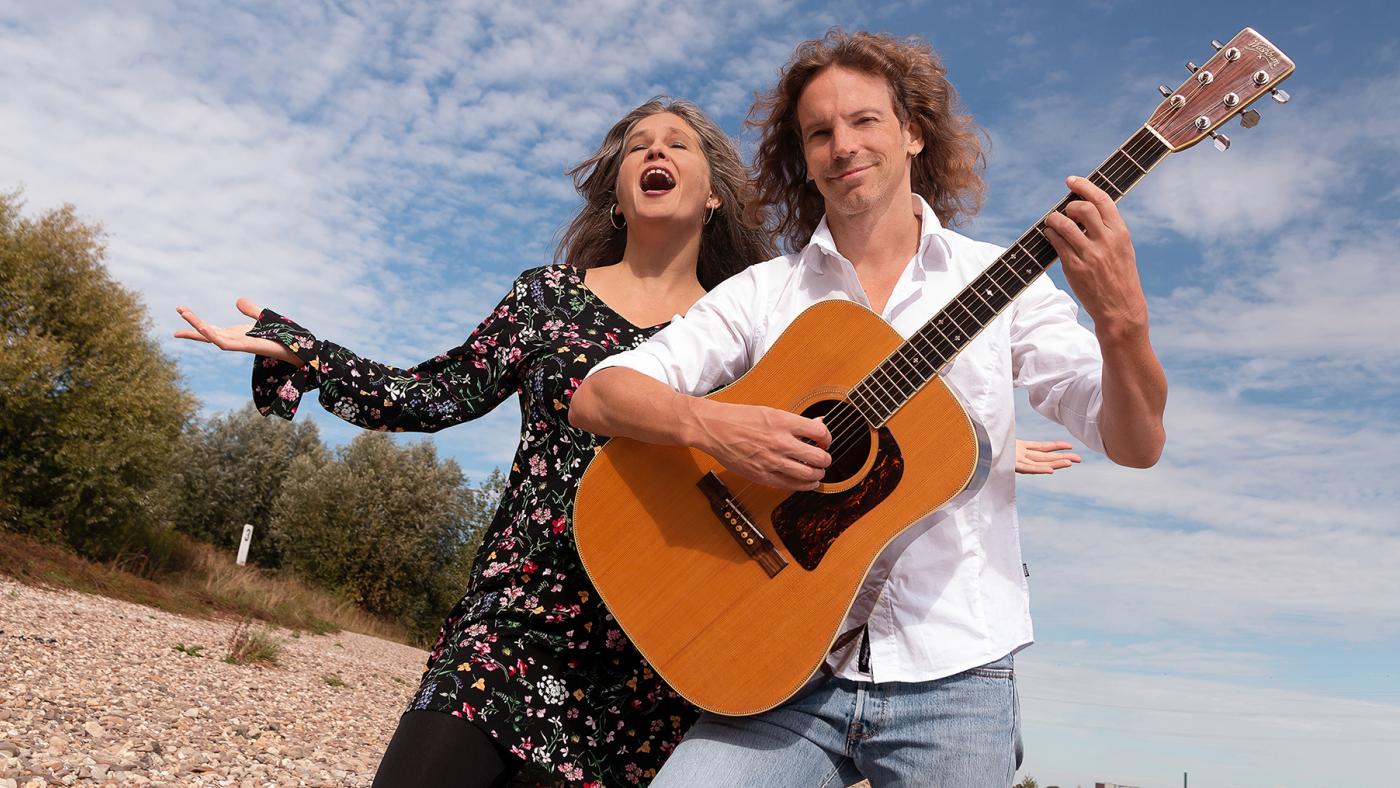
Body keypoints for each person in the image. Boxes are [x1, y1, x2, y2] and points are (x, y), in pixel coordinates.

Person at [569, 29, 1166, 786]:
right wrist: (719, 428)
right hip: (777, 666)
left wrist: (1124, 326)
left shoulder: (1002, 281)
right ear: (803, 158)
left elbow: (1134, 441)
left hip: (956, 675)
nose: (842, 144)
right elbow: (600, 394)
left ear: (914, 133)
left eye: (864, 121)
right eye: (819, 132)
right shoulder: (767, 292)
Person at [175, 97, 777, 787]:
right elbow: (435, 393)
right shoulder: (546, 298)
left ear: (714, 198)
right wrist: (306, 353)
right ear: (615, 195)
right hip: (518, 612)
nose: (656, 153)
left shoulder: (743, 332)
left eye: (679, 145)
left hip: (651, 641)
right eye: (639, 145)